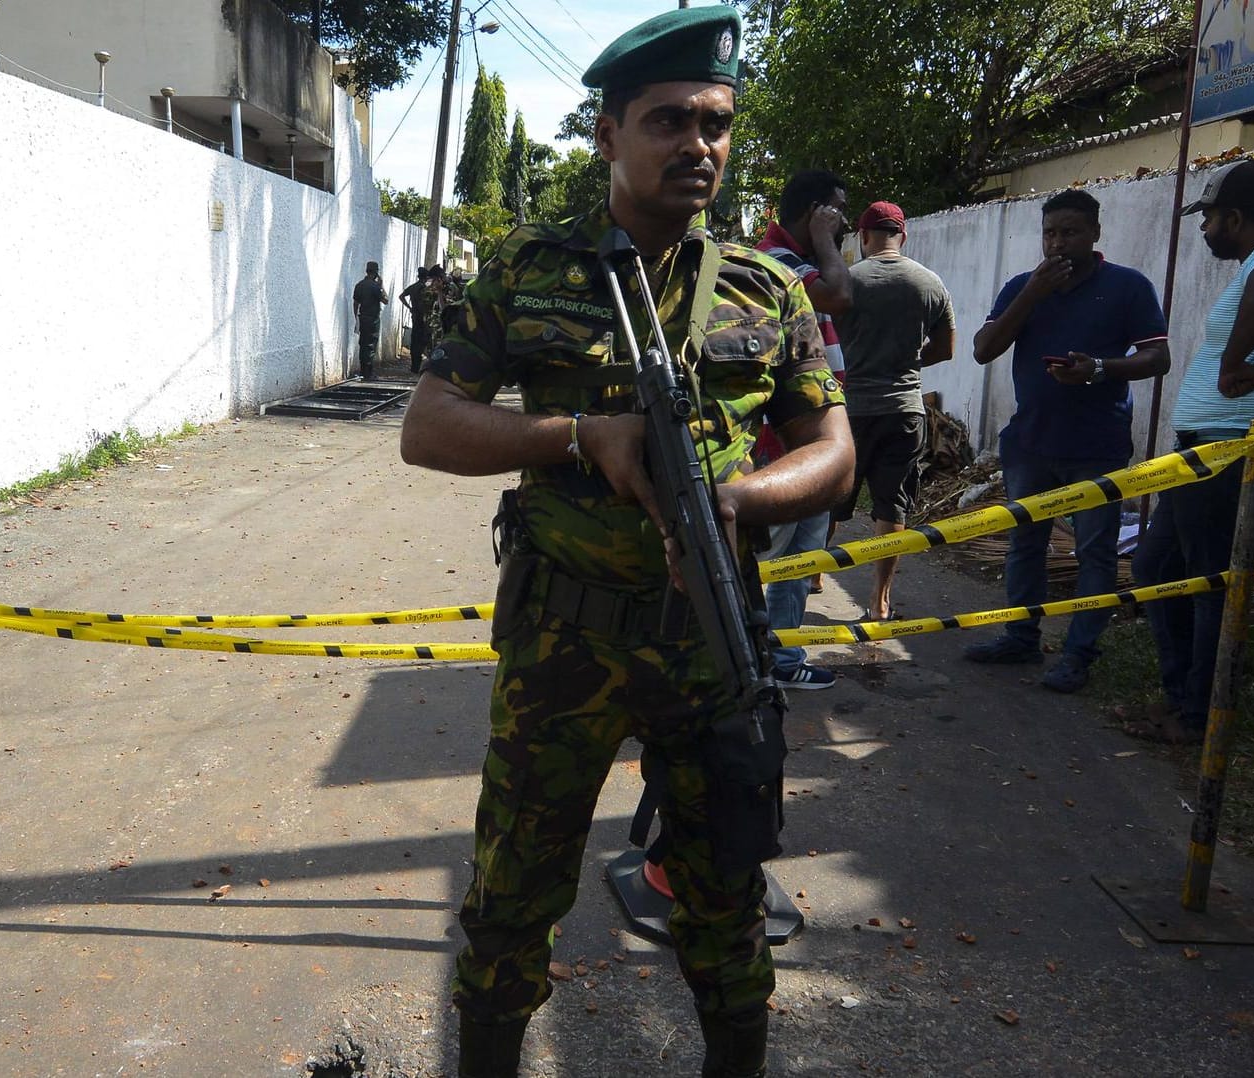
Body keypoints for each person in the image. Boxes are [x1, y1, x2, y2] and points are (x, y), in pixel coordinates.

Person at [399, 9, 853, 1076]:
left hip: (711, 647)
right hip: (562, 643)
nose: (698, 144)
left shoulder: (766, 285)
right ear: (607, 134)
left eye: (715, 122)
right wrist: (573, 435)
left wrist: (744, 499)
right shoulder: (531, 268)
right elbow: (429, 425)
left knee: (726, 903)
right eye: (668, 121)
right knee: (511, 900)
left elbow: (832, 448)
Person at [966, 188, 1171, 693]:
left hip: (1096, 447)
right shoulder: (1021, 286)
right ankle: (1021, 637)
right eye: (1050, 232)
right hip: (1030, 443)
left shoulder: (1127, 287)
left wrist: (1100, 369)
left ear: (1096, 234)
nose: (1058, 243)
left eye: (1071, 232)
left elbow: (1157, 359)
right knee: (1025, 544)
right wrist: (1031, 295)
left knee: (1095, 553)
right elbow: (983, 350)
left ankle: (1079, 654)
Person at [1128, 159, 1254, 744]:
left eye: (1209, 218)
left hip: (1230, 451)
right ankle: (1186, 702)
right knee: (1160, 568)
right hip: (1212, 452)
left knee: (1203, 581)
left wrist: (1234, 361)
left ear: (1235, 218)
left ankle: (1198, 717)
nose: (1205, 229)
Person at [833, 200, 956, 620]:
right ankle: (879, 598)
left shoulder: (846, 282)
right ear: (903, 236)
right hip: (905, 409)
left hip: (850, 410)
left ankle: (813, 576)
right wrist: (908, 360)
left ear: (864, 236)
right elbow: (947, 349)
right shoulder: (930, 283)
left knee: (832, 497)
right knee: (892, 504)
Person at [756, 168, 853, 690]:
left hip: (810, 443)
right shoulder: (778, 262)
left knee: (798, 560)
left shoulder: (802, 262)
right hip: (782, 447)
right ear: (816, 211)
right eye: (836, 211)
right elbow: (840, 294)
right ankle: (742, 665)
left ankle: (783, 661)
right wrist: (822, 239)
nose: (842, 223)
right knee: (766, 558)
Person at [351, 261, 388, 381]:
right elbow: (386, 300)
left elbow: (355, 303)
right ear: (376, 273)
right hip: (373, 319)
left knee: (363, 343)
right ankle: (369, 373)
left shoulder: (359, 285)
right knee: (371, 345)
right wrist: (381, 285)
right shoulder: (375, 287)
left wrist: (356, 317)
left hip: (362, 317)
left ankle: (363, 370)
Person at [400, 267, 431, 373]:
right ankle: (424, 366)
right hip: (425, 317)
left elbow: (401, 296)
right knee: (425, 340)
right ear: (426, 278)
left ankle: (414, 366)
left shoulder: (413, 287)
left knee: (415, 340)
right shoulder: (426, 288)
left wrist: (409, 307)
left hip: (415, 316)